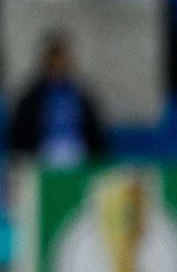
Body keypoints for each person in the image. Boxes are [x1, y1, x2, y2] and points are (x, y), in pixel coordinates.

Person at [7, 32, 107, 169]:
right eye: (55, 59)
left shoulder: (81, 97)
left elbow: (95, 134)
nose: (59, 64)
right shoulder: (32, 98)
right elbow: (19, 135)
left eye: (62, 59)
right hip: (43, 156)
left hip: (77, 155)